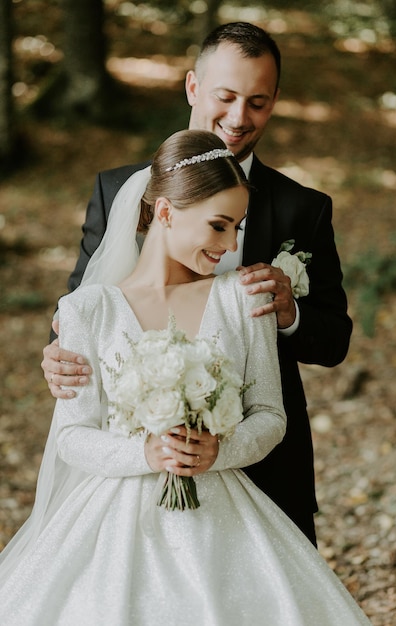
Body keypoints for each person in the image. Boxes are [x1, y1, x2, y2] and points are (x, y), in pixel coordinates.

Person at [0, 130, 370, 625]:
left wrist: (221, 450)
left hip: (225, 512)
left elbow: (270, 415)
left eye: (238, 228)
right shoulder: (86, 310)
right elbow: (71, 435)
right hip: (111, 521)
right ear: (167, 212)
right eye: (219, 226)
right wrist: (145, 453)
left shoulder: (243, 299)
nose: (230, 244)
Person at [41, 22, 353, 546]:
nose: (238, 118)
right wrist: (57, 354)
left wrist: (288, 313)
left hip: (264, 465)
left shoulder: (304, 208)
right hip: (133, 483)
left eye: (257, 102)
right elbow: (83, 306)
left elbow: (335, 338)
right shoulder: (120, 190)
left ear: (274, 102)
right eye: (226, 96)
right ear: (192, 88)